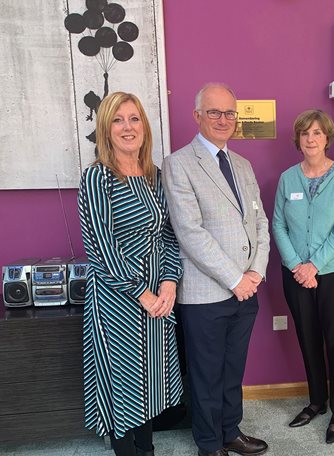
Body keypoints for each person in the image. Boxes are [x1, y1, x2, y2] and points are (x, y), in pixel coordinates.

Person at [161, 83, 270, 456]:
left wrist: (255, 273)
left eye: (229, 113)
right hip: (206, 292)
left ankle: (230, 431)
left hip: (247, 290)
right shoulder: (177, 164)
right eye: (214, 112)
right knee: (207, 375)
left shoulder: (242, 164)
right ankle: (209, 444)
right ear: (197, 116)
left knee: (232, 372)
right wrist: (235, 278)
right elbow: (190, 232)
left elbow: (260, 224)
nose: (223, 120)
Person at [78, 92, 184, 456]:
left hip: (157, 298)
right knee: (124, 385)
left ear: (144, 126)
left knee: (149, 382)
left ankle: (147, 450)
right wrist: (144, 294)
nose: (128, 127)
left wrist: (169, 282)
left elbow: (169, 235)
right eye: (118, 120)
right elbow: (101, 248)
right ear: (106, 130)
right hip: (118, 302)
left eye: (134, 118)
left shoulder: (154, 177)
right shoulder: (97, 178)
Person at [272, 110, 334, 444]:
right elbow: (277, 223)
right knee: (308, 338)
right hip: (295, 275)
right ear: (298, 139)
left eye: (318, 133)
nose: (311, 139)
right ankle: (316, 401)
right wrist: (297, 265)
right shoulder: (287, 179)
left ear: (327, 138)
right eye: (305, 133)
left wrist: (314, 266)